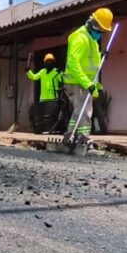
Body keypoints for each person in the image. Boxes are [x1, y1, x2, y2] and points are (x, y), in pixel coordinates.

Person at [62, 8, 114, 150]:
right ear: (93, 24)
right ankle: (83, 140)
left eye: (103, 31)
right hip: (77, 82)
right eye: (100, 30)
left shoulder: (91, 39)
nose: (100, 33)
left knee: (78, 111)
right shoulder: (80, 38)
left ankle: (69, 136)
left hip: (84, 82)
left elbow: (90, 61)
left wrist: (101, 55)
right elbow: (73, 63)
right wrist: (87, 84)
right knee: (85, 111)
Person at [27, 53, 63, 134]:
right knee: (43, 116)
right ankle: (44, 129)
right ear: (45, 63)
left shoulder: (56, 72)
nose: (49, 63)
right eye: (47, 61)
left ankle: (52, 129)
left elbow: (62, 80)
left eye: (51, 61)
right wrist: (28, 71)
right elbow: (34, 77)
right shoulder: (42, 72)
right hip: (43, 98)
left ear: (53, 62)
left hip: (53, 98)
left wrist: (61, 73)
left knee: (53, 116)